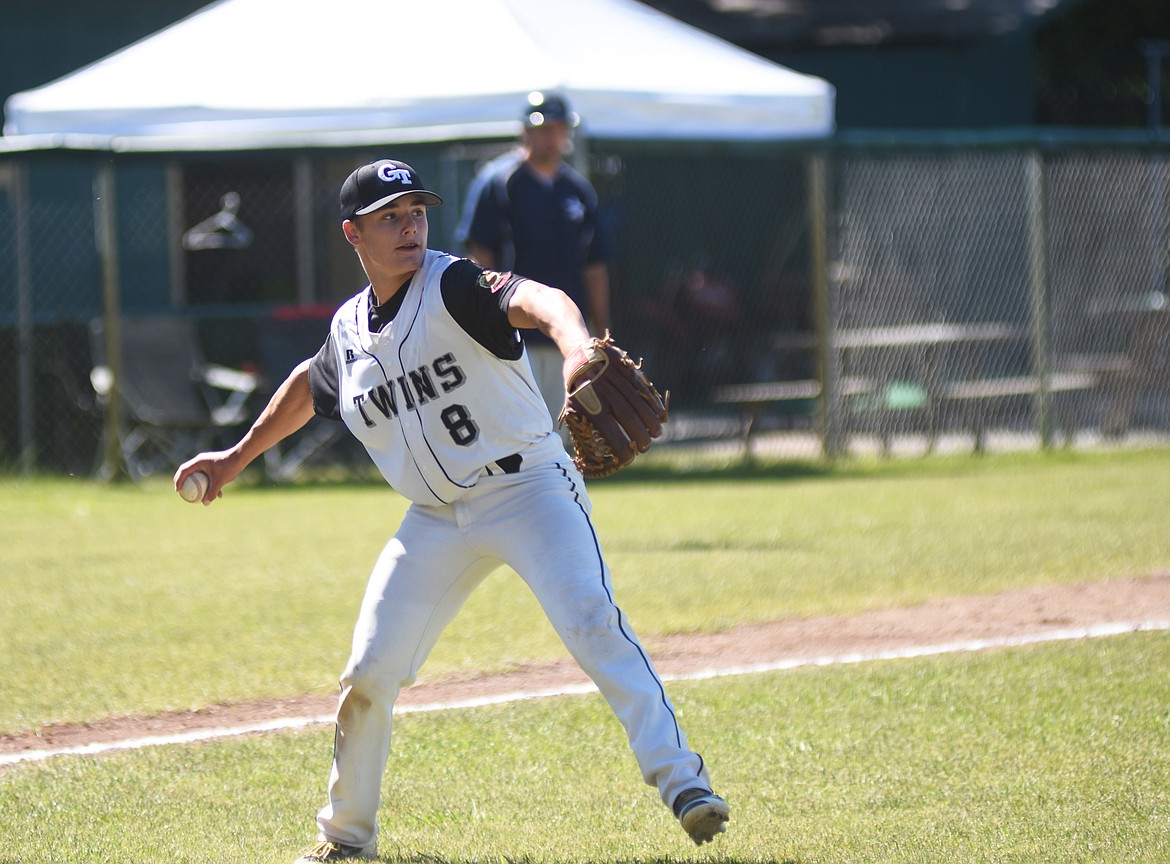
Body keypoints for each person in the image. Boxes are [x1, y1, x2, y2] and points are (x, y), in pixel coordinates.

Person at [174, 159, 729, 863]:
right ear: (353, 234)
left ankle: (685, 785)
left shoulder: (454, 283)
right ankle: (346, 838)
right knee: (370, 670)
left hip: (528, 488)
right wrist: (232, 460)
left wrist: (579, 346)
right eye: (390, 218)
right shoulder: (348, 332)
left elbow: (544, 299)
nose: (410, 227)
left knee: (592, 619)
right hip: (433, 518)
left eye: (416, 212)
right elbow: (306, 386)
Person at [458, 91, 611, 431]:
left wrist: (601, 332)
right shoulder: (500, 182)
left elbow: (595, 265)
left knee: (568, 435)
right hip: (515, 331)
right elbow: (479, 257)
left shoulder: (578, 190)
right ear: (526, 131)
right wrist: (483, 322)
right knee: (520, 432)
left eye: (558, 129)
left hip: (566, 332)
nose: (552, 137)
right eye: (543, 128)